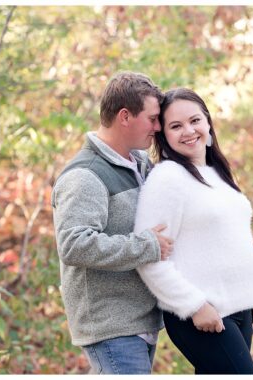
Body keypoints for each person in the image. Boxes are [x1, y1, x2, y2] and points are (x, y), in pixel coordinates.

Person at [134, 88, 253, 374]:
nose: (188, 131)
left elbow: (233, 236)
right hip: (202, 314)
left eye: (195, 120)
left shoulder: (217, 173)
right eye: (176, 126)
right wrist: (194, 306)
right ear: (164, 135)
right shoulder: (168, 179)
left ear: (207, 121)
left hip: (240, 309)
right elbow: (150, 256)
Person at [51, 71, 174, 374]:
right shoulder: (86, 176)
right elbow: (74, 245)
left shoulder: (139, 162)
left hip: (138, 319)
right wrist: (146, 246)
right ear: (125, 117)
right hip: (111, 326)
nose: (158, 128)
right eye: (153, 119)